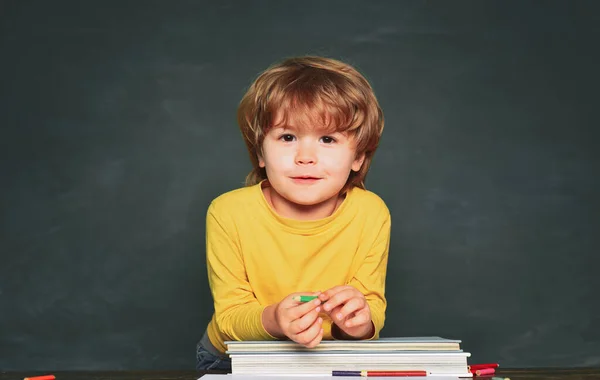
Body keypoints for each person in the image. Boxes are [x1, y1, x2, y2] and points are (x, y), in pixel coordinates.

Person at [196, 56, 391, 371]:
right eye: (288, 137)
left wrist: (357, 323)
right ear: (260, 151)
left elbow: (372, 309)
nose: (305, 157)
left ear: (358, 157)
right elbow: (230, 317)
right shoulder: (228, 212)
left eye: (327, 139)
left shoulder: (371, 213)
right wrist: (274, 319)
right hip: (234, 356)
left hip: (330, 356)